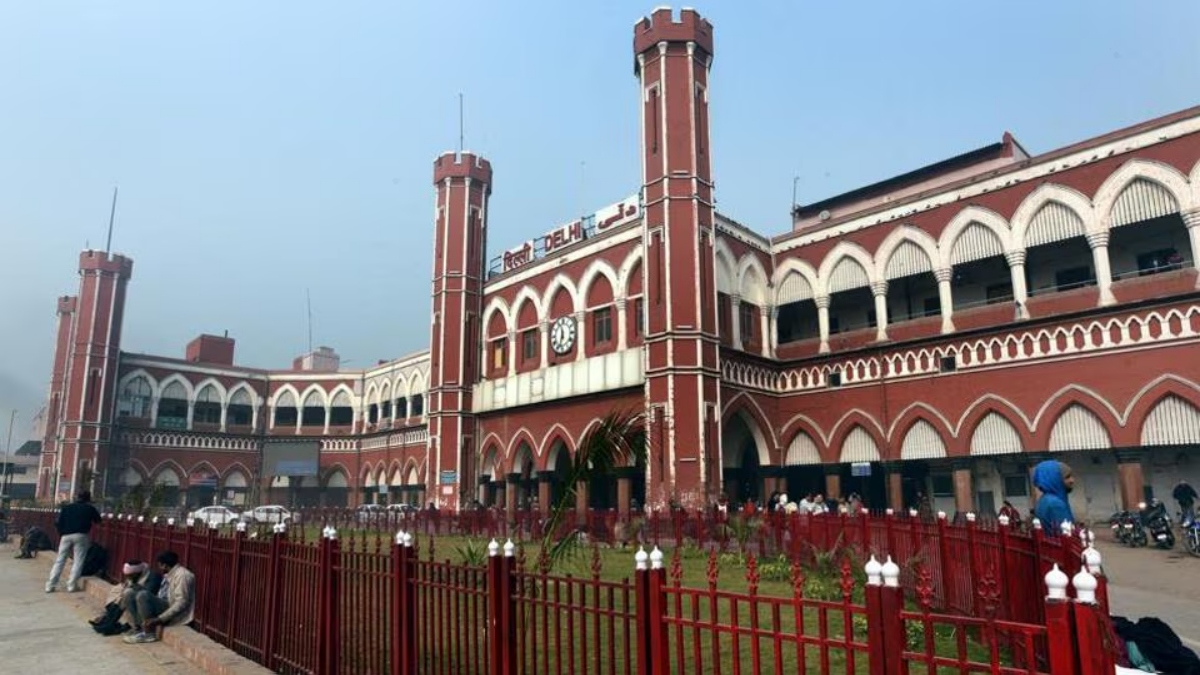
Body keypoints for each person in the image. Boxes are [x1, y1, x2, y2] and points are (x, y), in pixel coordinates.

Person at [123, 550, 195, 644]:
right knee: (129, 593)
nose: (159, 568)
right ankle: (138, 628)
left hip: (172, 612)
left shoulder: (183, 576)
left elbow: (181, 603)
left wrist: (160, 619)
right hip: (164, 604)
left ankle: (149, 633)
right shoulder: (169, 573)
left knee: (143, 595)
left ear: (164, 565)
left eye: (160, 565)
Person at [46, 489, 102, 592]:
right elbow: (98, 521)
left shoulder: (67, 508)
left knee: (60, 560)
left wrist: (62, 533)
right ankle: (71, 585)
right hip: (81, 535)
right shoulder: (89, 508)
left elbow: (58, 523)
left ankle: (50, 585)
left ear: (77, 498)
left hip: (66, 536)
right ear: (88, 499)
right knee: (78, 561)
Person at [90, 560, 163, 636]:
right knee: (121, 596)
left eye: (130, 576)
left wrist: (134, 588)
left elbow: (147, 593)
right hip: (137, 601)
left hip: (149, 605)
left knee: (127, 594)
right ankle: (108, 621)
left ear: (136, 573)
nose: (128, 578)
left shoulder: (153, 576)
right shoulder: (135, 576)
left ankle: (109, 623)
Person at [1032, 460, 1075, 533]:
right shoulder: (1055, 505)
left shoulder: (1045, 499)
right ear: (1054, 479)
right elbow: (1067, 535)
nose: (1072, 480)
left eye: (1071, 476)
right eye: (1067, 477)